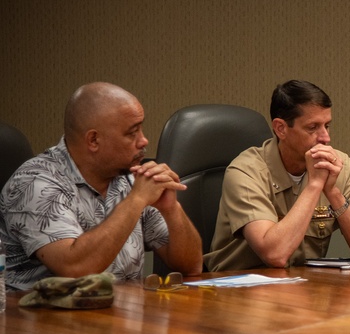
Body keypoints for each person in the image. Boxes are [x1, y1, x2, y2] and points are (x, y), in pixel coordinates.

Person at [0, 82, 202, 289]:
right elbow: (75, 269)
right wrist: (137, 200)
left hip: (120, 313)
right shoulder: (35, 183)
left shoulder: (129, 178)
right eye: (132, 133)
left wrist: (171, 209)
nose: (143, 140)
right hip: (42, 316)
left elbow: (191, 267)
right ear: (94, 140)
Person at [204, 80, 350, 270]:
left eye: (327, 125)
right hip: (236, 290)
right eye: (313, 127)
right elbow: (275, 255)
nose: (325, 138)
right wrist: (315, 186)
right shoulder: (246, 171)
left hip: (301, 288)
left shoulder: (339, 165)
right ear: (281, 128)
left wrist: (333, 193)